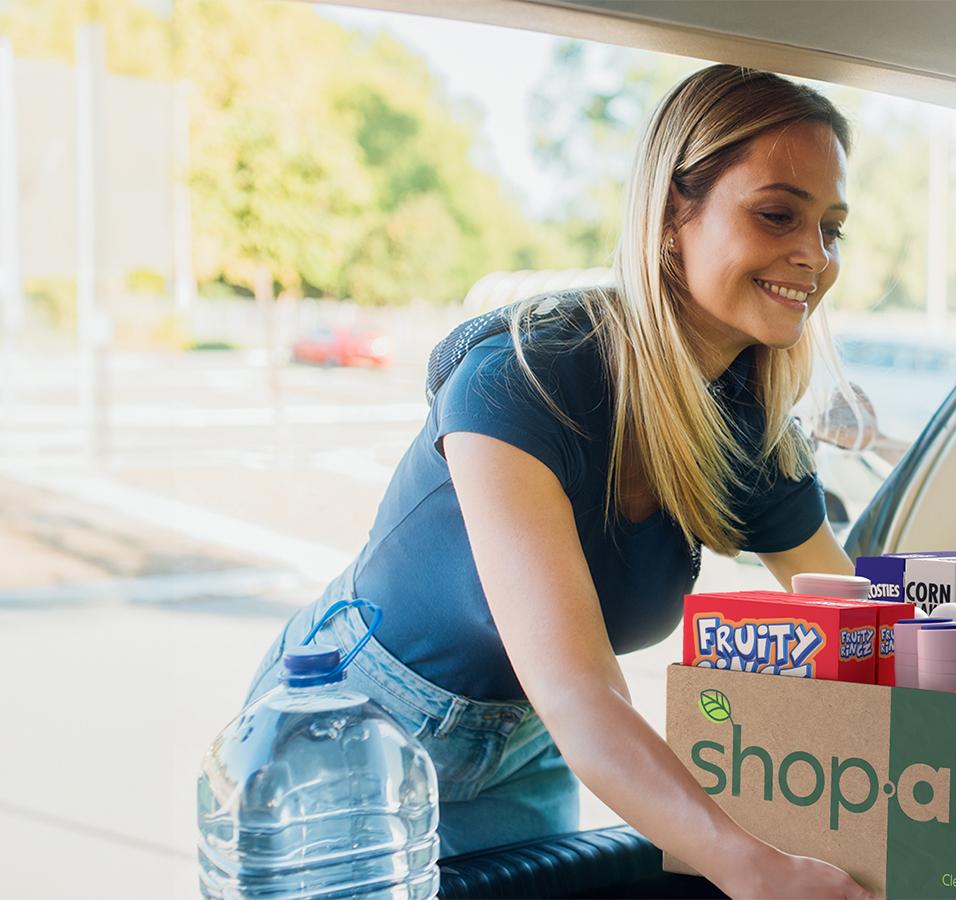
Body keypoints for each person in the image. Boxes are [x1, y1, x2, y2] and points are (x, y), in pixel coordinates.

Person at [240, 65, 872, 899]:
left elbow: (862, 630)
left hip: (526, 747)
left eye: (831, 227)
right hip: (354, 725)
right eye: (776, 214)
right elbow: (580, 691)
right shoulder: (526, 378)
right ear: (673, 219)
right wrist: (748, 867)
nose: (814, 256)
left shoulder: (748, 430)